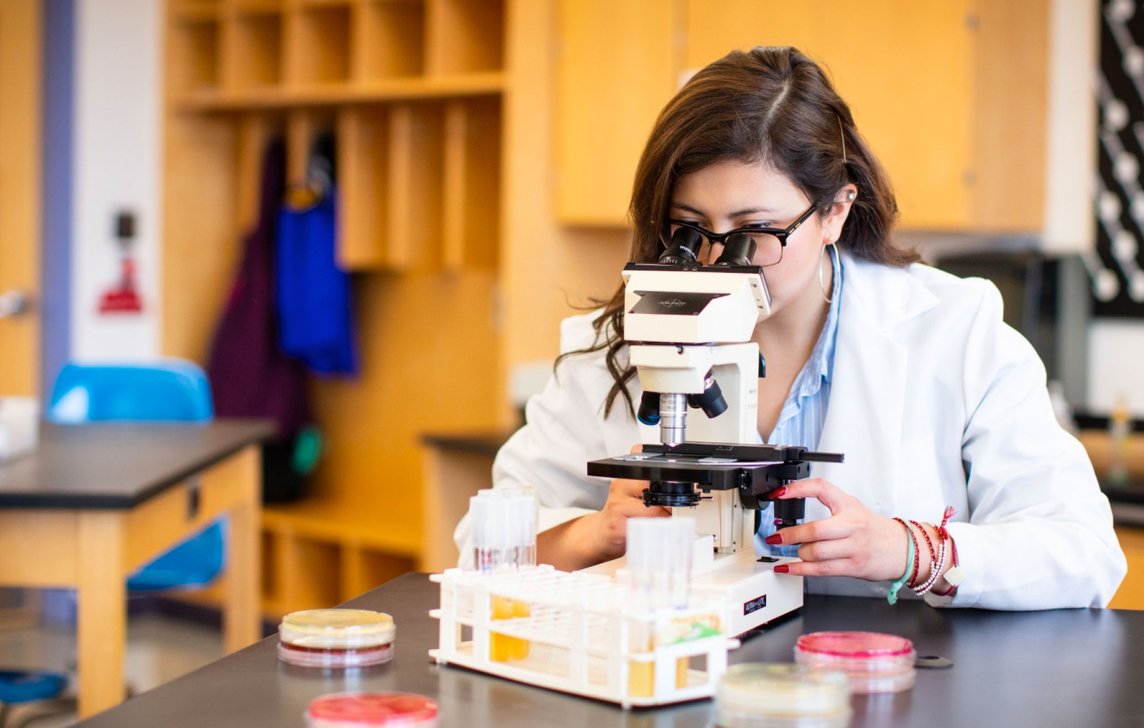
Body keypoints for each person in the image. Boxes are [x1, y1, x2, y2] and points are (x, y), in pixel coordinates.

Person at [455, 46, 1126, 609]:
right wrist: (592, 534)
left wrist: (913, 550)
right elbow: (483, 539)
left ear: (834, 212)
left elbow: (1086, 553)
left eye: (756, 232)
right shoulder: (623, 337)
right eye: (689, 230)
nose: (720, 260)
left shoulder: (955, 331)